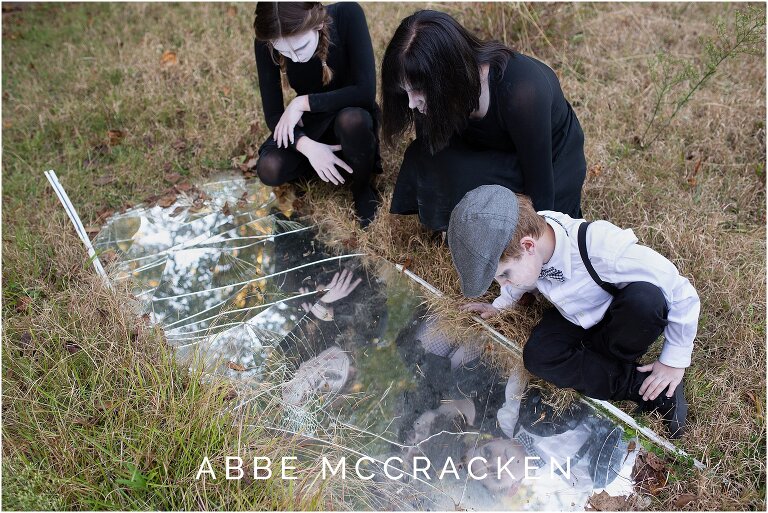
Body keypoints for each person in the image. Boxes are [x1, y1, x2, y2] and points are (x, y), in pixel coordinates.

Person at [446, 185, 700, 438]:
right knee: (538, 356)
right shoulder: (534, 242)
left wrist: (672, 362)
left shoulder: (602, 250)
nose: (504, 283)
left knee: (647, 301)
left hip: (620, 323)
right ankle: (639, 386)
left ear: (528, 246)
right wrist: (499, 306)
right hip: (572, 317)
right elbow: (523, 279)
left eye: (504, 275)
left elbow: (681, 292)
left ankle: (647, 380)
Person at [381, 10, 587, 232]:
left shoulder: (522, 91)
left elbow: (541, 186)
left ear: (447, 76)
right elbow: (434, 151)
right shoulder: (438, 91)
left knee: (505, 217)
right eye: (406, 91)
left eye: (419, 91)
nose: (412, 104)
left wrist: (539, 237)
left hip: (550, 164)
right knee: (423, 157)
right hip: (492, 153)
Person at [253, 2, 381, 227]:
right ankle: (317, 161)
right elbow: (273, 115)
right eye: (284, 51)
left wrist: (302, 102)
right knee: (269, 167)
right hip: (311, 124)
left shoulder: (348, 14)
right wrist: (306, 145)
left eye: (300, 47)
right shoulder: (267, 39)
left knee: (352, 121)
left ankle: (361, 187)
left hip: (350, 112)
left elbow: (365, 92)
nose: (294, 57)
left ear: (318, 24)